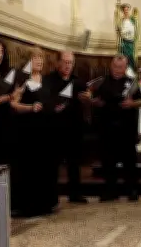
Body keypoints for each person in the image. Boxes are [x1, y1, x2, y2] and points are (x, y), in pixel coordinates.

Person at [82, 55, 141, 202]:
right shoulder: (102, 81)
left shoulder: (132, 82)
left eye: (121, 67)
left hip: (126, 128)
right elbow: (88, 93)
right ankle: (110, 190)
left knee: (129, 161)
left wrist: (132, 104)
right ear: (111, 66)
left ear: (125, 67)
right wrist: (93, 101)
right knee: (108, 160)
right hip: (107, 127)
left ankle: (132, 190)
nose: (117, 70)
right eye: (115, 66)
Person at [10, 48, 59, 217]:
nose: (39, 61)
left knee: (43, 167)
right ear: (27, 61)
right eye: (35, 58)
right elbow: (13, 104)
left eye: (41, 58)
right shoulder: (22, 80)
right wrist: (30, 107)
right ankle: (28, 206)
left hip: (45, 130)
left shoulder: (46, 80)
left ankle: (44, 203)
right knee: (29, 168)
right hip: (28, 131)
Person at [45, 50, 88, 204]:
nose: (68, 65)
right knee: (53, 163)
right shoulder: (48, 80)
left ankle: (75, 193)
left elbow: (86, 99)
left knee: (74, 162)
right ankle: (51, 195)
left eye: (70, 63)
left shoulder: (78, 81)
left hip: (74, 127)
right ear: (58, 63)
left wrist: (87, 97)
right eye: (65, 62)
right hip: (55, 127)